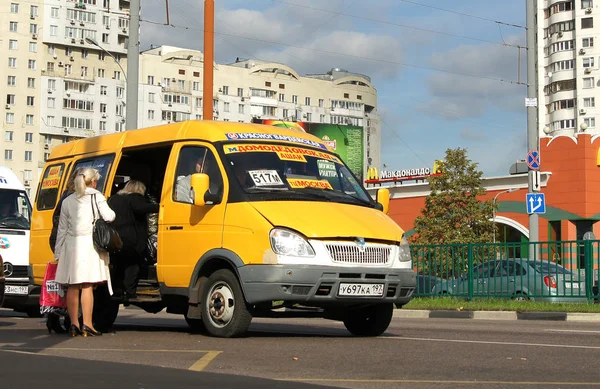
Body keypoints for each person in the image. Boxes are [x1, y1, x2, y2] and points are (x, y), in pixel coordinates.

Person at [54, 167, 116, 337]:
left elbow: (62, 230)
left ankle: (73, 324)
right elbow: (110, 216)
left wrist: (58, 253)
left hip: (71, 245)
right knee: (87, 285)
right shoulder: (97, 196)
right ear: (93, 181)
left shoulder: (67, 201)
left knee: (73, 286)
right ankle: (87, 324)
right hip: (89, 246)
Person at [107, 180, 159, 304]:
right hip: (131, 240)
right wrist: (162, 206)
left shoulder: (115, 199)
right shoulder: (135, 197)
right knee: (133, 265)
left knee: (117, 265)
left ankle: (117, 290)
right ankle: (129, 292)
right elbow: (142, 208)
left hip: (114, 239)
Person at [46, 168, 81, 334]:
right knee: (71, 283)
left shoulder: (66, 196)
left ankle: (56, 317)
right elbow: (63, 224)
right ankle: (67, 319)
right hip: (66, 241)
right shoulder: (71, 198)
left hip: (61, 240)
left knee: (65, 283)